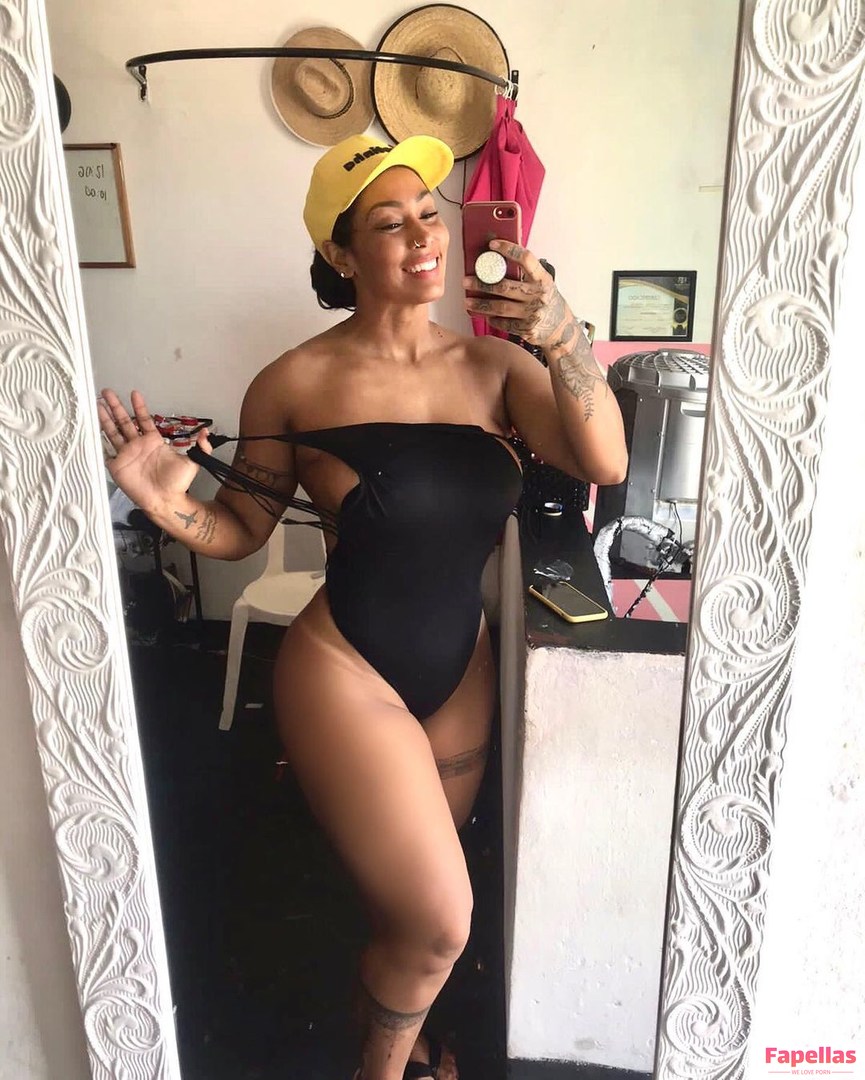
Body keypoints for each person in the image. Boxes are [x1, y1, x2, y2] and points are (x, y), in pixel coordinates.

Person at [98, 133, 627, 1080]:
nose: (423, 237)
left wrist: (562, 337)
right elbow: (241, 530)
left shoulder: (498, 369)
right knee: (441, 921)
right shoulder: (292, 382)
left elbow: (604, 462)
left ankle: (386, 1015)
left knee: (408, 907)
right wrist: (161, 498)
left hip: (458, 669)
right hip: (347, 669)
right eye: (389, 224)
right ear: (340, 254)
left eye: (429, 213)